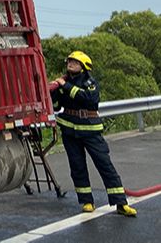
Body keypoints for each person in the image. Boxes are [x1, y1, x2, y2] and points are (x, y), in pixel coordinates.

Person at [49, 50, 137, 217]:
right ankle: (87, 201)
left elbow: (89, 99)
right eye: (69, 61)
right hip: (69, 130)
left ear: (83, 66)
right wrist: (52, 88)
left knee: (104, 165)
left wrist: (65, 86)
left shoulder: (90, 82)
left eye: (75, 62)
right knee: (77, 167)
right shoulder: (62, 81)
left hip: (90, 131)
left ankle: (121, 203)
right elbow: (54, 103)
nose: (70, 64)